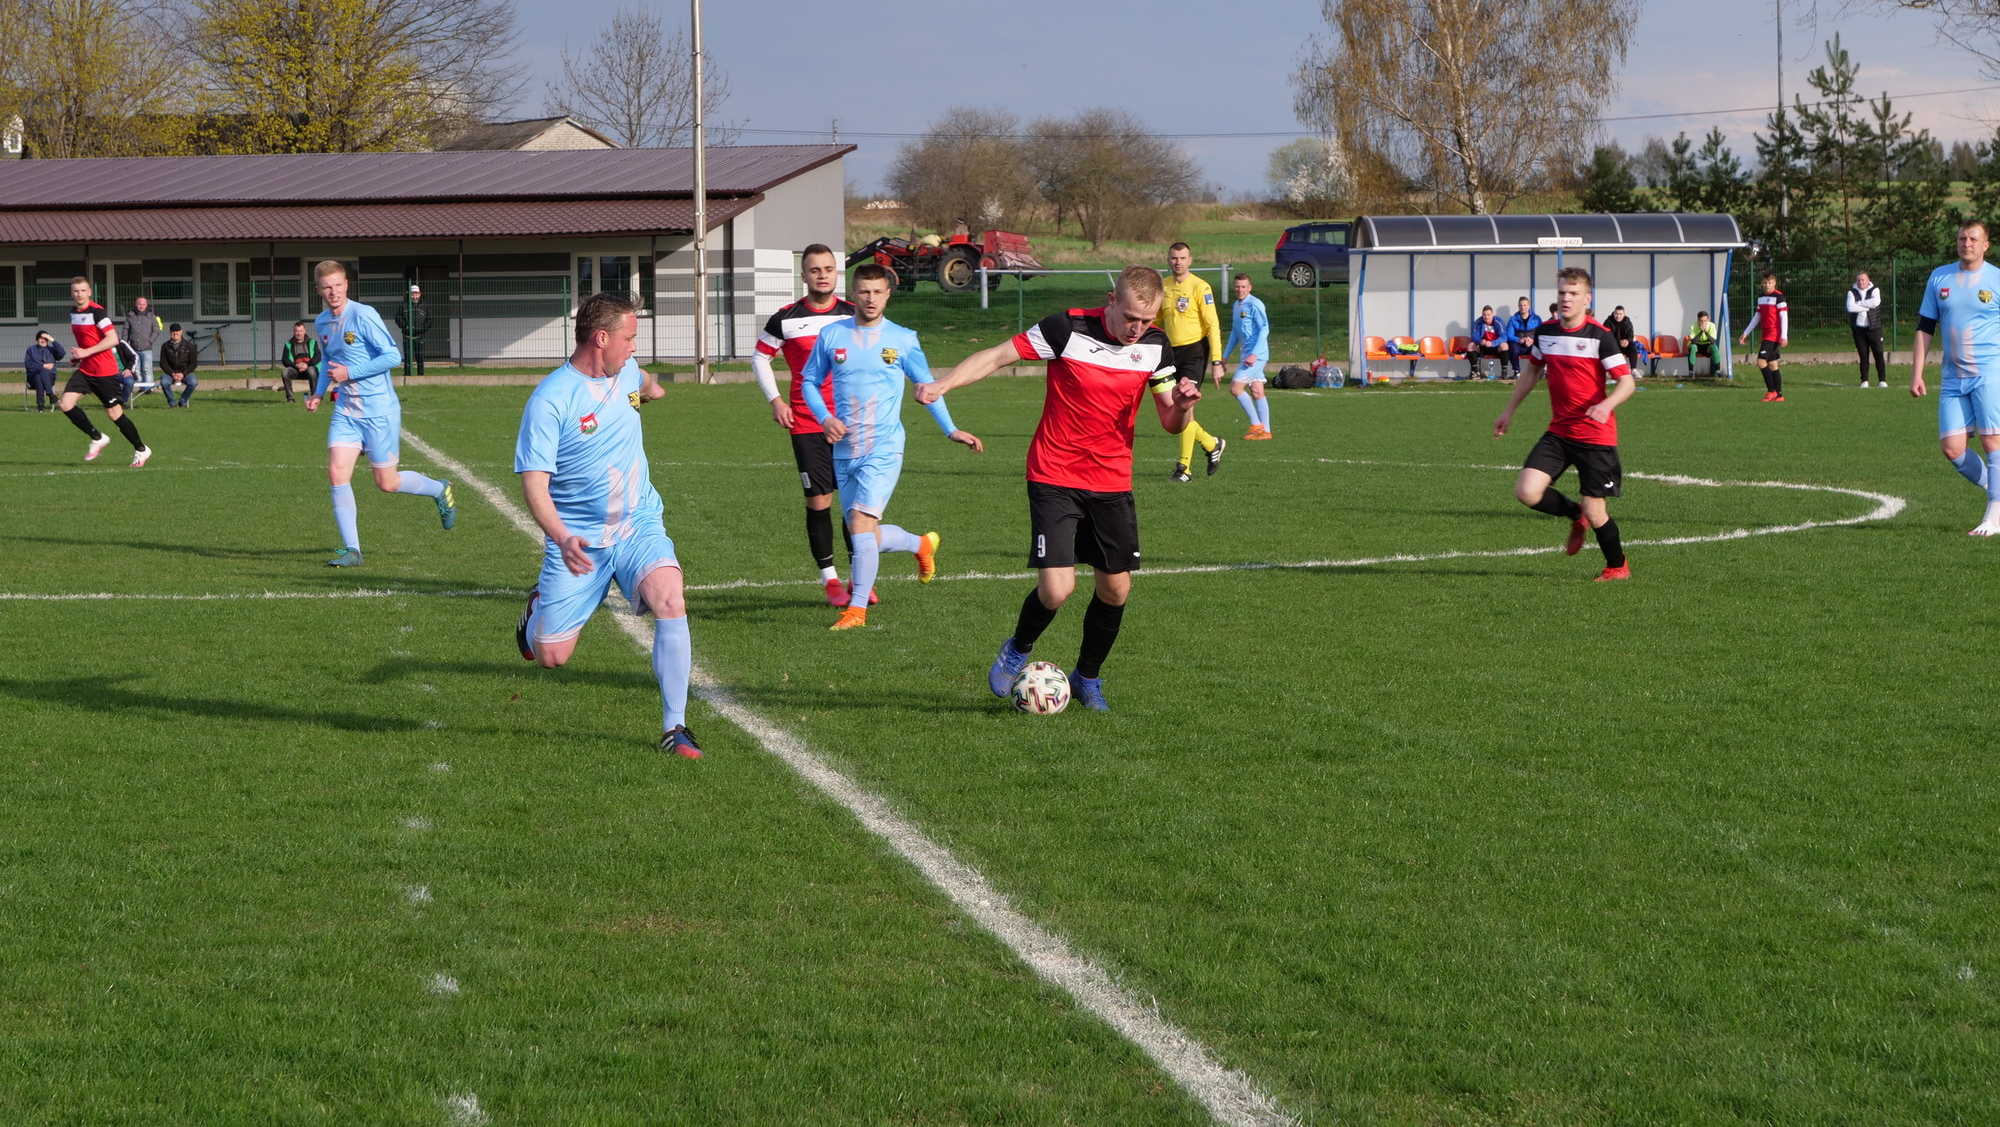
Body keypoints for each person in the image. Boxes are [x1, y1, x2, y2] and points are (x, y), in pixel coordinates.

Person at [917, 265, 1203, 711]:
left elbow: (1171, 422)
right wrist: (944, 384)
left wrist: (1183, 407)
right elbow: (997, 356)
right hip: (1055, 474)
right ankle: (1018, 648)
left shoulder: (1155, 345)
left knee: (1116, 590)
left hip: (1112, 481)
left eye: (1147, 320)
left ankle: (1087, 677)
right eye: (1131, 317)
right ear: (1111, 301)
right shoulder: (1066, 328)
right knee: (1056, 591)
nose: (1137, 328)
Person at [512, 292, 702, 759]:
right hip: (579, 541)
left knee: (670, 598)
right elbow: (534, 485)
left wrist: (654, 392)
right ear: (601, 338)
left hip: (638, 523)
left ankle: (675, 727)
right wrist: (562, 538)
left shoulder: (629, 372)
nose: (635, 347)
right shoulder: (551, 400)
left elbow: (645, 382)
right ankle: (536, 608)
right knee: (551, 655)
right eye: (629, 338)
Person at [800, 263, 982, 630]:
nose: (870, 298)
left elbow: (927, 386)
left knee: (860, 524)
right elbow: (809, 381)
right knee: (864, 532)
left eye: (877, 292)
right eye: (864, 291)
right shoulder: (832, 335)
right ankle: (921, 545)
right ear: (853, 293)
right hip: (844, 449)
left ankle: (856, 611)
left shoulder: (903, 338)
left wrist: (950, 429)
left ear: (888, 295)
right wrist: (825, 418)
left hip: (883, 448)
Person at [304, 260, 455, 567]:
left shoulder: (363, 315)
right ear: (318, 290)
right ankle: (353, 550)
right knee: (336, 472)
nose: (333, 292)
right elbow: (329, 361)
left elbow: (392, 356)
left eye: (338, 285)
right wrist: (319, 392)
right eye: (327, 287)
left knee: (387, 483)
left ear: (347, 285)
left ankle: (439, 489)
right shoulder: (322, 322)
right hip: (347, 411)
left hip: (379, 411)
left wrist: (350, 372)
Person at [1492, 265, 1635, 581]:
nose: (1566, 298)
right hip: (1559, 432)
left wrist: (1606, 404)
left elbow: (1627, 383)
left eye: (1573, 293)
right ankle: (1575, 514)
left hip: (1595, 436)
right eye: (1562, 292)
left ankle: (1617, 567)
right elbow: (1532, 371)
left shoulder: (1600, 336)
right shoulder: (1546, 332)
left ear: (1587, 298)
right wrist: (1508, 411)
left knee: (1596, 511)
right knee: (1527, 491)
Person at [751, 243, 861, 605]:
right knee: (819, 501)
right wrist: (776, 400)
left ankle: (860, 578)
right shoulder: (785, 318)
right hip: (807, 422)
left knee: (855, 503)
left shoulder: (853, 314)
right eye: (815, 270)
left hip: (850, 423)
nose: (822, 276)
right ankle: (830, 579)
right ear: (804, 276)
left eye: (828, 269)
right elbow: (760, 358)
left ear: (836, 273)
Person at [1910, 219, 2000, 536]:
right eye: (1962, 238)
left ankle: (1994, 517)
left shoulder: (1996, 279)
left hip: (1989, 373)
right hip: (1952, 378)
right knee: (1952, 449)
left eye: (1973, 239)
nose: (1967, 244)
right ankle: (1996, 489)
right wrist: (1917, 373)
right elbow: (1925, 328)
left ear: (1985, 245)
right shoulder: (1940, 277)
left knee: (1992, 441)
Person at [55, 277, 150, 467]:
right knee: (65, 404)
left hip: (104, 371)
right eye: (76, 291)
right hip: (86, 369)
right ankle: (98, 437)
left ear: (89, 292)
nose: (79, 294)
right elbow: (88, 340)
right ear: (71, 293)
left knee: (115, 415)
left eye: (83, 290)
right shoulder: (74, 313)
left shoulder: (97, 312)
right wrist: (79, 357)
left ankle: (141, 449)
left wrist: (86, 352)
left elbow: (113, 339)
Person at [1158, 241, 1225, 482]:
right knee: (1175, 408)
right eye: (1174, 258)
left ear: (1190, 260)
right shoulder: (1163, 286)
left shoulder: (1200, 286)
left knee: (1186, 405)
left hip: (1194, 351)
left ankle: (1184, 468)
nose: (1178, 262)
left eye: (1182, 258)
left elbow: (1213, 325)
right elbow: (1155, 320)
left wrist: (1216, 361)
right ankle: (1211, 444)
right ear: (1168, 260)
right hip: (1170, 353)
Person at [1222, 273, 1272, 438]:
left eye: (1243, 286)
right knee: (1257, 391)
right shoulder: (1237, 305)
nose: (1240, 289)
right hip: (1247, 355)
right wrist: (1225, 356)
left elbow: (1264, 328)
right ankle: (1266, 432)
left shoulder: (1254, 304)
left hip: (1256, 356)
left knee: (1235, 388)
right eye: (1237, 286)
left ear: (1250, 288)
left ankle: (1256, 425)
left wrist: (1254, 354)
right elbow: (1235, 332)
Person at [1740, 272, 1788, 402]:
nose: (1767, 285)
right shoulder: (1761, 298)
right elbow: (1757, 316)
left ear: (1775, 283)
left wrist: (1784, 336)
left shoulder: (1779, 297)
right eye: (1765, 283)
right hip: (1765, 334)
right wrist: (1746, 332)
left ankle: (1771, 391)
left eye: (1770, 282)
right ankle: (1779, 394)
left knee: (1761, 361)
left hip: (1774, 334)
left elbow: (1784, 316)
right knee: (1772, 364)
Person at [1847, 271, 1887, 388]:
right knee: (1863, 355)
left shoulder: (1875, 290)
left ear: (1868, 280)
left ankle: (1882, 380)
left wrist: (1859, 303)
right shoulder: (1852, 292)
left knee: (1878, 353)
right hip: (1859, 330)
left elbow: (1875, 302)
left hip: (1874, 328)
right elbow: (1850, 307)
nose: (1861, 282)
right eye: (1859, 280)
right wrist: (1866, 307)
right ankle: (1864, 380)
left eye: (1863, 279)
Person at [123, 296, 161, 395]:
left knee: (147, 368)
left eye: (144, 304)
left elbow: (156, 330)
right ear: (136, 304)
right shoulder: (130, 316)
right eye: (140, 304)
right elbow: (126, 330)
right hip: (133, 348)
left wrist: (150, 341)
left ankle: (149, 388)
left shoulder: (151, 316)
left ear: (146, 305)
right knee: (137, 369)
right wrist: (124, 344)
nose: (142, 306)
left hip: (147, 348)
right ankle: (141, 387)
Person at [393, 284, 433, 376]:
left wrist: (423, 329)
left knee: (420, 357)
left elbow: (429, 319)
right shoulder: (404, 306)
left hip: (420, 336)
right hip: (407, 336)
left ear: (420, 294)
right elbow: (398, 318)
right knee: (408, 357)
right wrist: (405, 327)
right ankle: (407, 375)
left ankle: (421, 375)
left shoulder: (424, 306)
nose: (414, 297)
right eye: (412, 294)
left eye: (416, 294)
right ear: (409, 295)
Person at [279, 320, 321, 404]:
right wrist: (296, 365)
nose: (299, 333)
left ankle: (314, 397)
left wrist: (307, 365)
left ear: (305, 331)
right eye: (297, 331)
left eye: (301, 331)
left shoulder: (313, 343)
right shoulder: (288, 344)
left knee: (311, 371)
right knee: (285, 372)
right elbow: (284, 360)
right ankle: (290, 398)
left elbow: (318, 357)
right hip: (295, 369)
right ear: (294, 332)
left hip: (309, 368)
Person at [158, 324, 199, 407]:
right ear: (170, 333)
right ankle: (172, 402)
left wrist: (183, 374)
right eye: (173, 331)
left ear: (181, 332)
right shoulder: (165, 346)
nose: (175, 333)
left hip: (185, 373)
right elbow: (163, 363)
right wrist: (172, 374)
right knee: (164, 382)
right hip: (170, 373)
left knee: (193, 382)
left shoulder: (189, 345)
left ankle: (183, 401)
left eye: (177, 331)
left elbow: (193, 363)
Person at [24, 330, 64, 412]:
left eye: (45, 339)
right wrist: (43, 366)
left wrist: (52, 340)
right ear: (37, 339)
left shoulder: (52, 350)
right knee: (40, 372)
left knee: (39, 376)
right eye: (41, 338)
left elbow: (62, 353)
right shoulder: (31, 349)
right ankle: (50, 394)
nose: (43, 340)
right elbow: (28, 365)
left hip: (49, 379)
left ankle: (41, 406)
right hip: (32, 378)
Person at [1467, 304, 1510, 380]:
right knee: (1470, 346)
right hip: (1483, 346)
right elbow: (1474, 336)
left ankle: (1504, 372)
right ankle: (1475, 372)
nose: (1486, 317)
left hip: (1496, 346)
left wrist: (1492, 343)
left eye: (1488, 315)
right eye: (1484, 315)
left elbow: (1504, 337)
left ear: (1493, 314)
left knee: (1504, 345)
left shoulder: (1499, 322)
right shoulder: (1478, 322)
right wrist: (1480, 341)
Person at [1503, 296, 1540, 377]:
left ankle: (1539, 372)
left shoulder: (1537, 319)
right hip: (1519, 345)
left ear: (1529, 306)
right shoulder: (1513, 319)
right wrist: (1518, 340)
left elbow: (1541, 334)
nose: (1522, 307)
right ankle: (1516, 371)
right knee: (1512, 347)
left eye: (1525, 305)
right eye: (1520, 305)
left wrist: (1532, 340)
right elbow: (1509, 335)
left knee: (1540, 346)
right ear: (1518, 306)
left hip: (1532, 345)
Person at [1686, 311, 1721, 376]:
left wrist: (1706, 332)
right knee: (1693, 347)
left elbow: (1713, 341)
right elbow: (1693, 341)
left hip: (1707, 346)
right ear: (1698, 320)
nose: (1703, 323)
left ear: (1708, 320)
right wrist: (1701, 332)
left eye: (1705, 321)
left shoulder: (1711, 325)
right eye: (1701, 321)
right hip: (1696, 345)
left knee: (1714, 347)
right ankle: (1691, 372)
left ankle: (1718, 371)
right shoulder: (1693, 326)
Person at [1604, 305, 1639, 371]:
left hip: (1624, 345)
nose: (1618, 316)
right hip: (1613, 345)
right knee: (1608, 347)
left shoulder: (1627, 322)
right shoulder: (1608, 322)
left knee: (1632, 347)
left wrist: (1627, 341)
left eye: (1620, 314)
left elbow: (1630, 335)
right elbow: (1607, 337)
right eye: (1616, 314)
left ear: (1624, 314)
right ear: (1613, 313)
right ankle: (1610, 371)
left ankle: (1633, 369)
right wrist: (1618, 341)